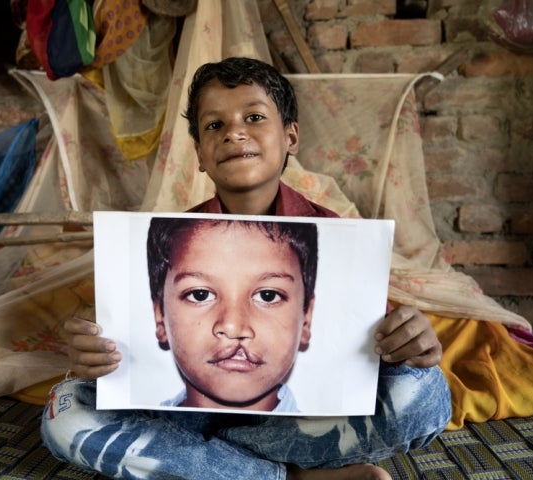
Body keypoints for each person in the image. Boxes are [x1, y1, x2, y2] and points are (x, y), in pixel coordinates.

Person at [42, 56, 451, 480]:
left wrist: (409, 350)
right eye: (214, 125)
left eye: (254, 117)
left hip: (297, 424)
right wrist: (98, 349)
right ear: (199, 153)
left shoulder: (339, 239)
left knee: (424, 392)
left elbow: (369, 356)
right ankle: (292, 478)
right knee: (65, 409)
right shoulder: (169, 239)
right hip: (191, 416)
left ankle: (212, 466)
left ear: (291, 136)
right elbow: (129, 349)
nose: (235, 132)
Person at [147, 217, 319, 412]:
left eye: (268, 296)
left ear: (306, 318)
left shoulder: (339, 439)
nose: (233, 327)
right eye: (200, 294)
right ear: (160, 315)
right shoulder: (124, 433)